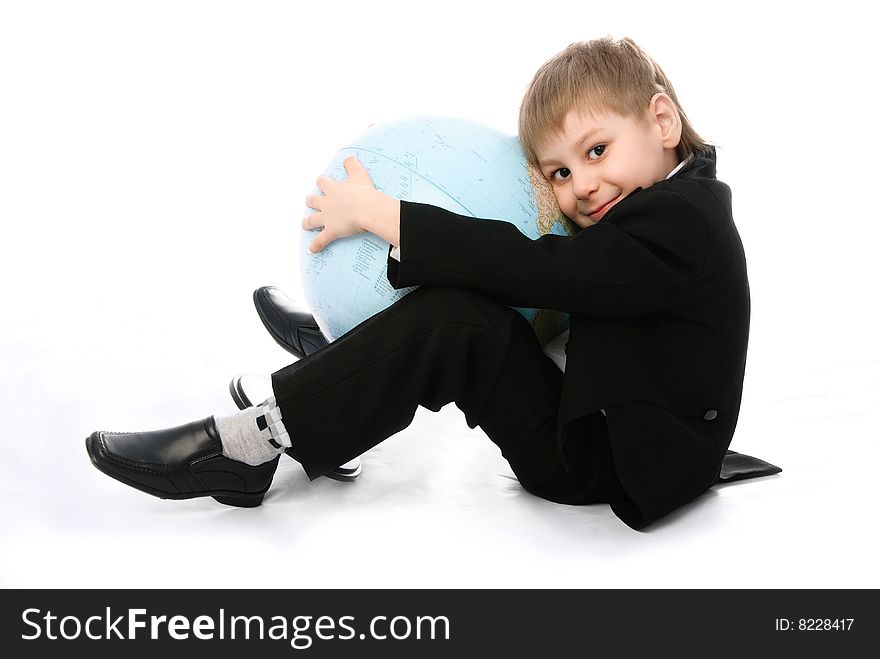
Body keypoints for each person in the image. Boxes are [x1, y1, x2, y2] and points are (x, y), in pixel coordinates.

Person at [86, 36, 779, 530]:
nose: (582, 185)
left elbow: (548, 272)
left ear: (661, 120)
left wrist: (388, 216)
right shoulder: (663, 210)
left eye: (595, 150)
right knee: (463, 310)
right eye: (560, 172)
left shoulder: (687, 224)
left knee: (455, 321)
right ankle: (342, 352)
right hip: (605, 411)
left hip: (599, 460)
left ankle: (248, 446)